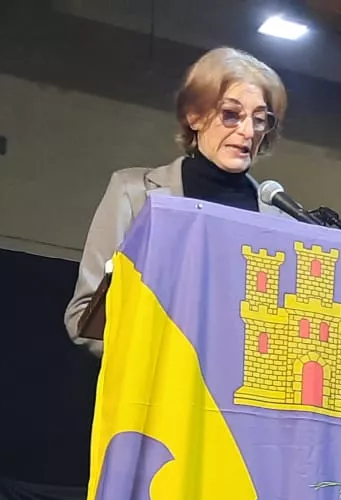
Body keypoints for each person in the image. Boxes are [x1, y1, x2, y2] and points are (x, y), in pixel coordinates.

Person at [64, 47, 291, 355]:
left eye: (260, 119)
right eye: (231, 115)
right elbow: (83, 318)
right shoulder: (134, 193)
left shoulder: (282, 221)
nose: (248, 131)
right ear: (194, 115)